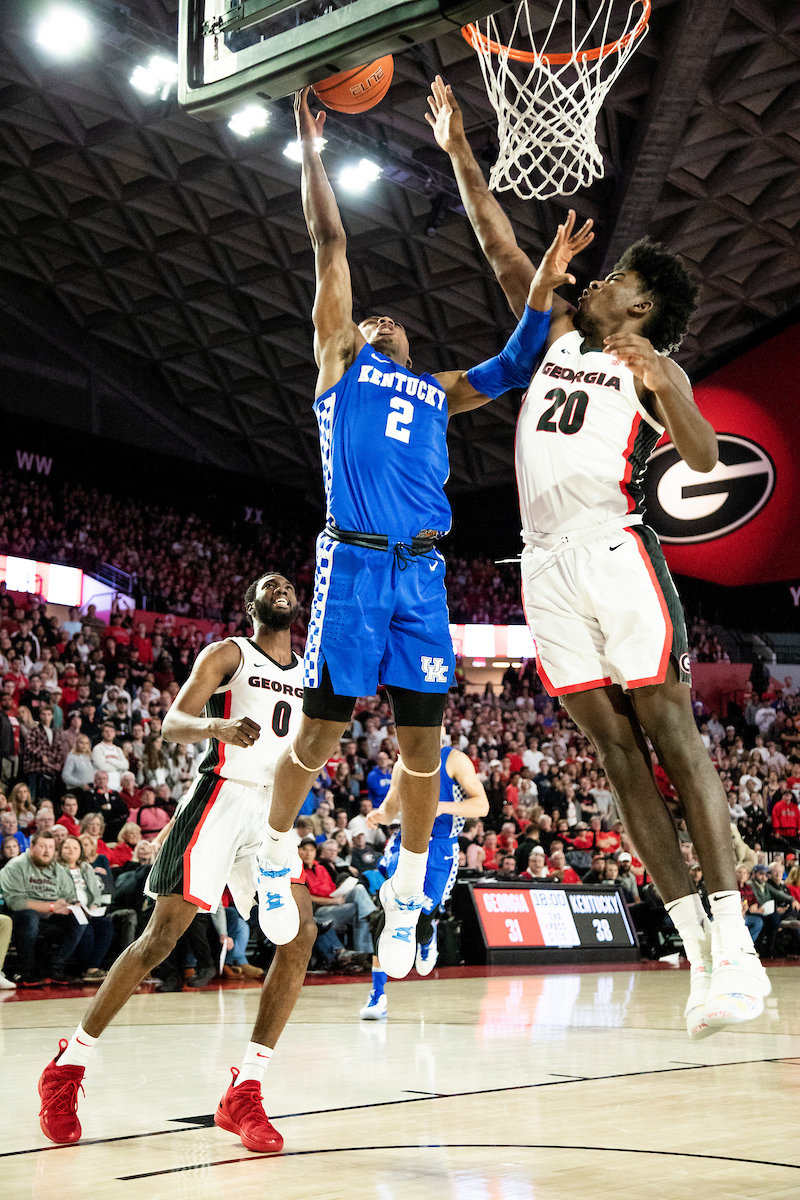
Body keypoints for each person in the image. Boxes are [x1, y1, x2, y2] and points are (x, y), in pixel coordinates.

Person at [427, 73, 769, 1040]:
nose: (602, 276)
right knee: (617, 760)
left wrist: (675, 388)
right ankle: (698, 951)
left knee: (673, 738)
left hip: (618, 549)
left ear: (647, 304)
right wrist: (460, 149)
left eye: (621, 275)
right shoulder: (565, 330)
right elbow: (502, 249)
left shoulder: (655, 364)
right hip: (542, 564)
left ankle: (737, 943)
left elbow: (704, 459)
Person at [254, 86, 579, 981]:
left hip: (422, 578)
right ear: (352, 338)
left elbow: (519, 361)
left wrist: (544, 278)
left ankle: (406, 896)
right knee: (318, 740)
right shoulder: (338, 368)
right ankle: (274, 855)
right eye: (369, 318)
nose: (380, 317)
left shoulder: (435, 386)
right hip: (355, 568)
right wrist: (312, 152)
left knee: (424, 753)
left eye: (391, 318)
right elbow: (330, 243)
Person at [37, 572, 316, 1154]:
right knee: (161, 937)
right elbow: (172, 723)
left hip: (275, 812)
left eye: (287, 582)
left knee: (299, 936)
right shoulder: (229, 654)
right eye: (267, 584)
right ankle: (67, 1067)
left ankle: (246, 1089)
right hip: (220, 795)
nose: (280, 586)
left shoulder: (311, 668)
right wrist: (216, 725)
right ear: (251, 604)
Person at [360, 737, 488, 1019]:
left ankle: (427, 938)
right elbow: (391, 807)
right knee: (387, 914)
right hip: (406, 842)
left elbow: (482, 805)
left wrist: (441, 806)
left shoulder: (454, 760)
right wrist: (378, 815)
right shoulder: (401, 763)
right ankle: (378, 995)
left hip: (441, 846)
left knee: (422, 917)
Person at [1, 830, 90, 985]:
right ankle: (23, 971)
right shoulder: (16, 866)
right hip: (21, 918)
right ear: (32, 846)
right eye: (43, 846)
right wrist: (50, 906)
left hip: (51, 917)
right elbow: (14, 902)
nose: (47, 851)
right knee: (30, 917)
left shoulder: (59, 869)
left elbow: (69, 894)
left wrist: (72, 904)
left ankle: (54, 968)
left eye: (51, 847)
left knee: (79, 919)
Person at [57, 835, 114, 982]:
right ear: (61, 850)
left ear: (80, 851)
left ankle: (93, 968)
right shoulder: (56, 868)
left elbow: (95, 893)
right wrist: (73, 904)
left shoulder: (86, 867)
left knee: (106, 924)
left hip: (89, 909)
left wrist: (94, 905)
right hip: (69, 910)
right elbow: (57, 892)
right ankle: (86, 968)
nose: (71, 850)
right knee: (85, 926)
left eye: (75, 848)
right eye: (67, 847)